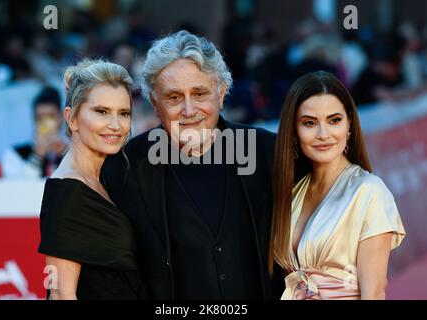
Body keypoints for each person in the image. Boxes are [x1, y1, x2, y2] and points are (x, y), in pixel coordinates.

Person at [101, 30, 284, 299]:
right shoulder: (125, 168)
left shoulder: (269, 153)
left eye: (200, 94)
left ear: (221, 93)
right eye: (174, 97)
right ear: (154, 102)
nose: (189, 110)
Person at [268, 71, 406, 300]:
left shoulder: (368, 192)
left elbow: (374, 293)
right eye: (310, 123)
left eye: (334, 120)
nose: (324, 134)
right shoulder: (293, 192)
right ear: (293, 131)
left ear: (349, 125)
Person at [38, 59, 143, 299]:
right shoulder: (67, 191)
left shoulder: (103, 180)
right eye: (102, 112)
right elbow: (60, 295)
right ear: (72, 118)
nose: (116, 125)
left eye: (124, 113)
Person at [1, 86, 66, 178]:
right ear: (34, 120)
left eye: (50, 117)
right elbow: (16, 188)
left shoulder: (72, 153)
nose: (45, 124)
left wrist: (65, 156)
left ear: (61, 118)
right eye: (40, 118)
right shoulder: (15, 154)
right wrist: (37, 156)